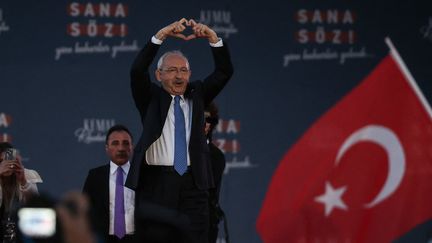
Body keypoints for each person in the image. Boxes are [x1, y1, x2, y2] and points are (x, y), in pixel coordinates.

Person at [125, 18, 234, 243]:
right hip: (157, 185)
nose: (178, 76)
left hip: (193, 185)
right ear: (159, 75)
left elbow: (224, 71)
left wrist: (214, 39)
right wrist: (159, 37)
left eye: (183, 70)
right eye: (172, 70)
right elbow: (137, 70)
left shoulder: (198, 94)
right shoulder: (151, 98)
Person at [82, 125, 135, 243]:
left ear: (132, 147)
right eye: (115, 143)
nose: (121, 148)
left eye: (126, 143)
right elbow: (85, 211)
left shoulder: (142, 176)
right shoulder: (95, 176)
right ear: (107, 148)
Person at [0, 142, 42, 242]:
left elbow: (35, 209)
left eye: (8, 160)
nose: (5, 165)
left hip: (20, 233)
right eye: (1, 161)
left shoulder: (26, 175)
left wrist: (23, 181)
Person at [204, 103, 228, 243]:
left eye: (208, 120)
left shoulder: (216, 156)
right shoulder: (174, 153)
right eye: (197, 118)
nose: (203, 123)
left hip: (204, 230)